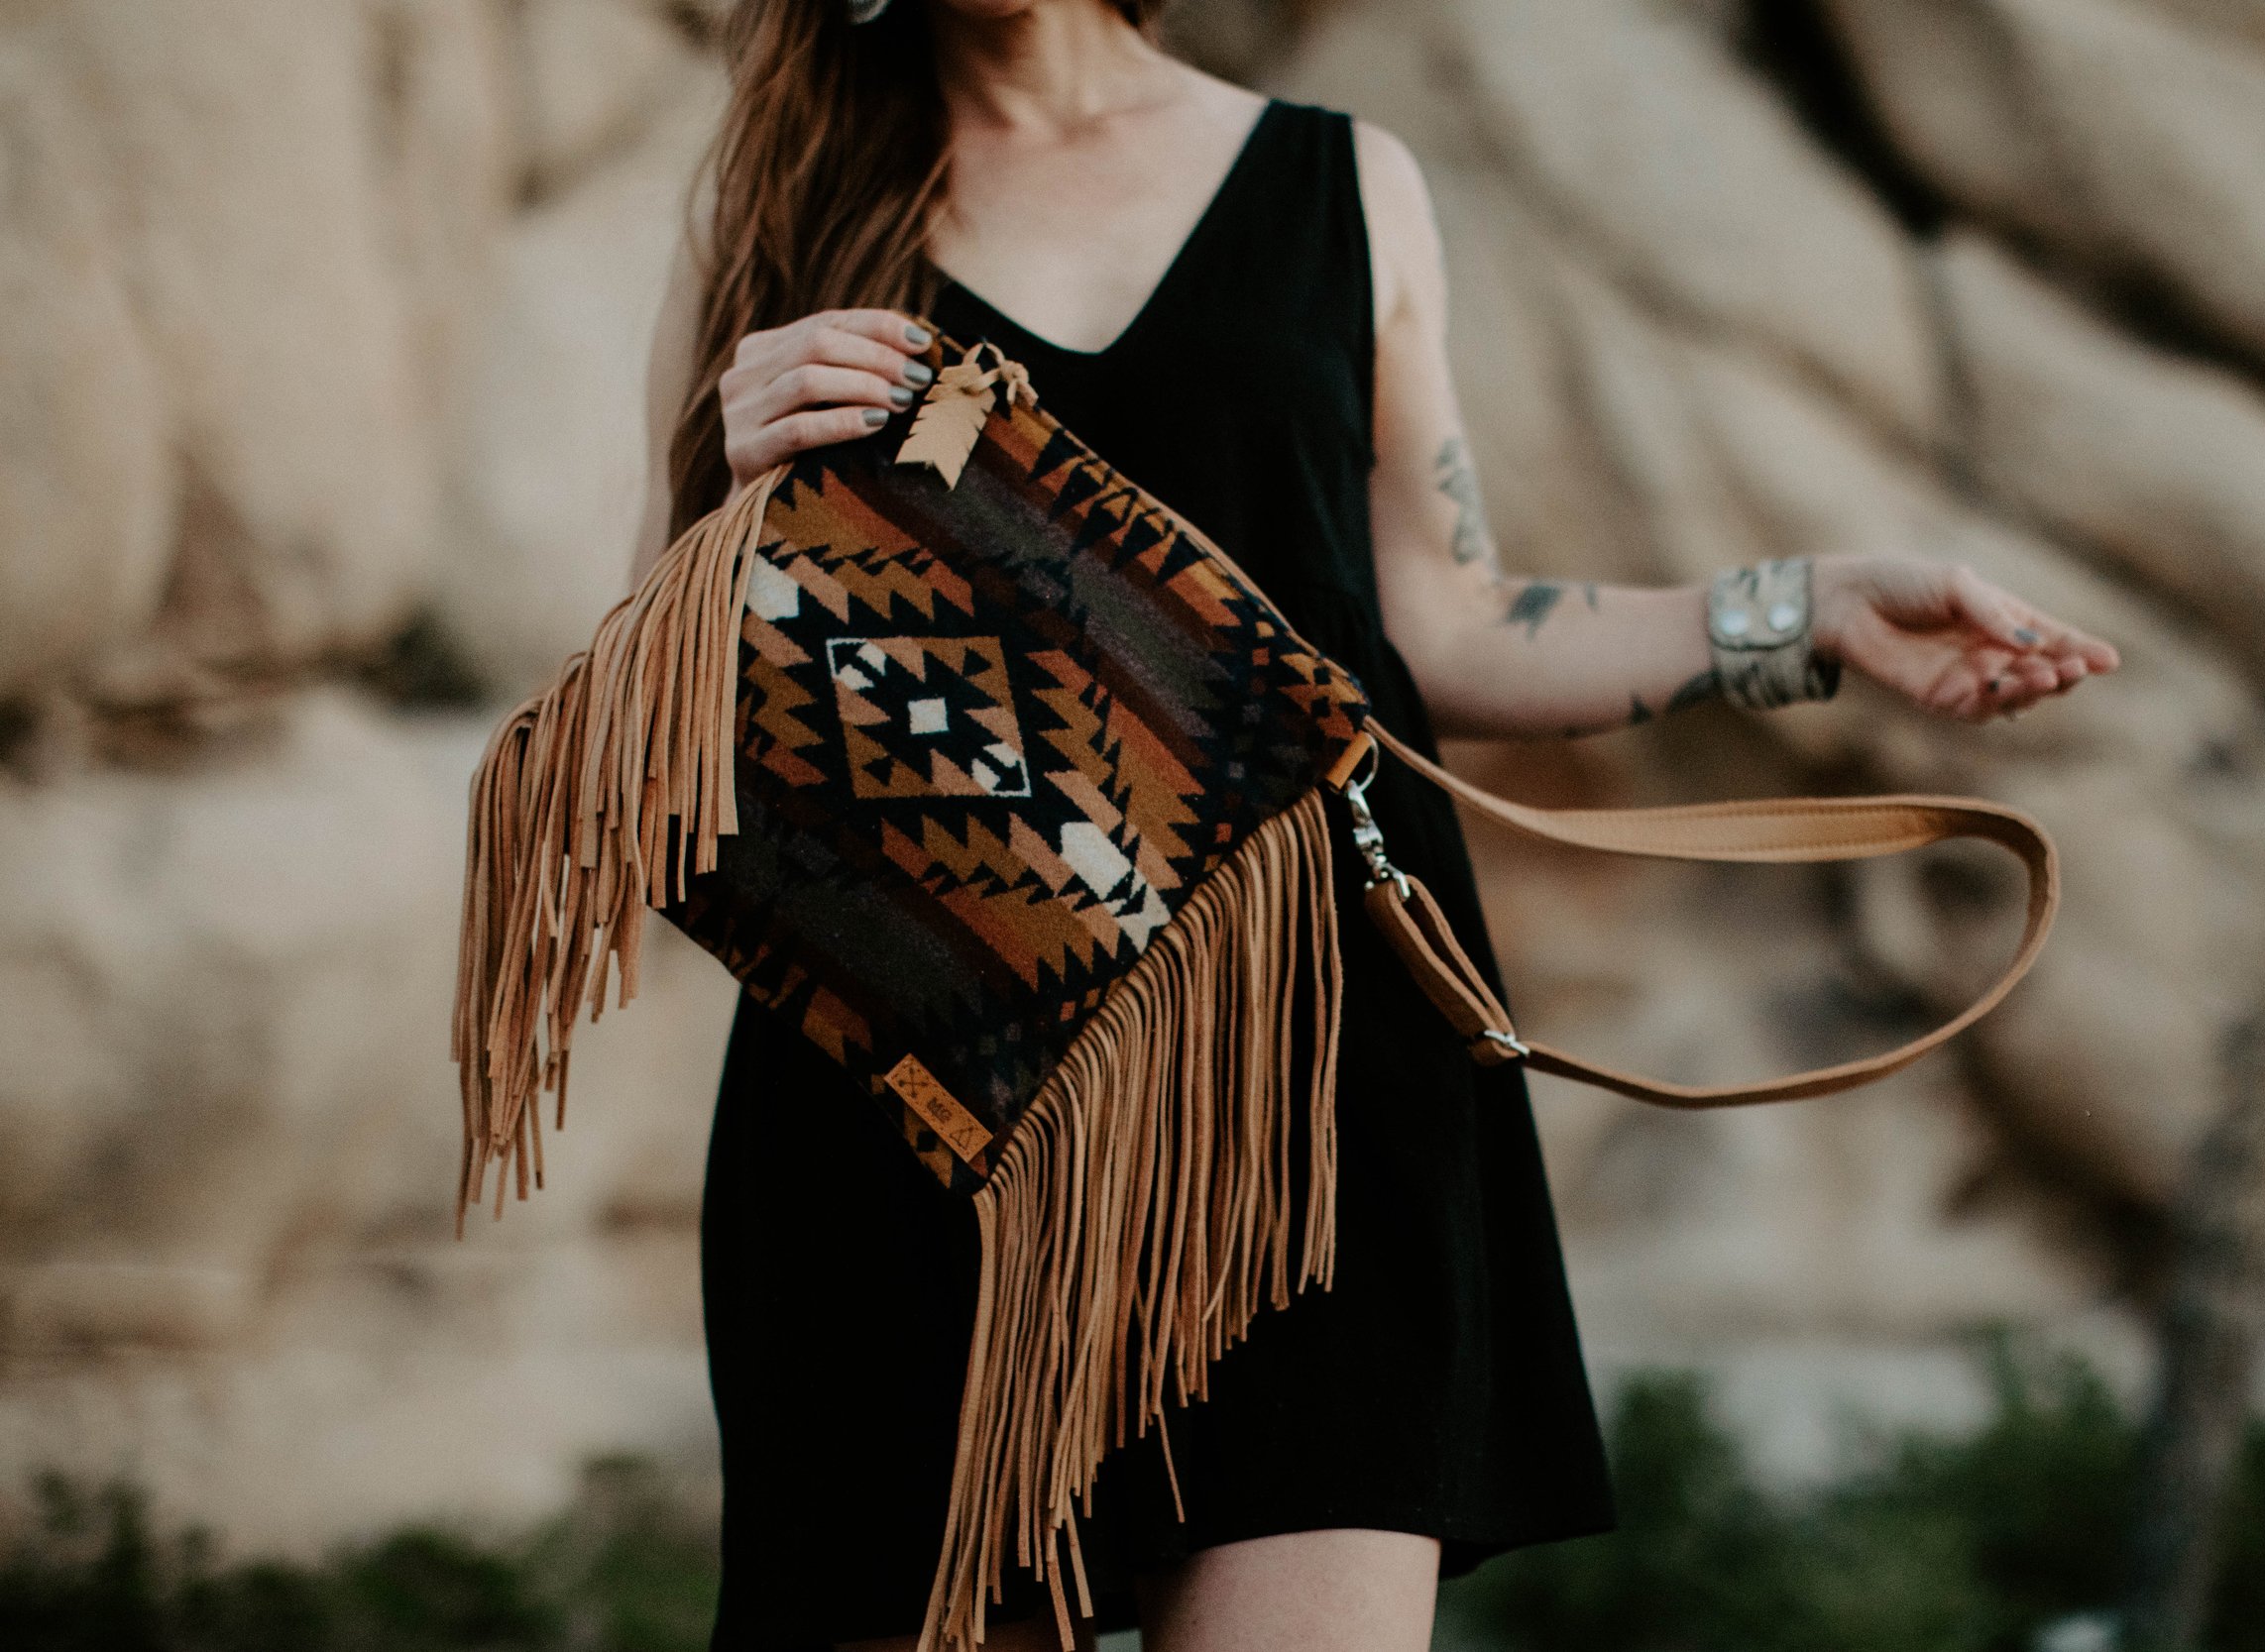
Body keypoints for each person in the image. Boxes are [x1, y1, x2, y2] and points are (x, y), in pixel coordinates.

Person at [629, 3, 2120, 1649]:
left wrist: (1814, 610)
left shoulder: (1343, 185)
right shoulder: (771, 211)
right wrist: (736, 489)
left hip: (1319, 1077)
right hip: (926, 1080)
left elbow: (1452, 625)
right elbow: (654, 758)